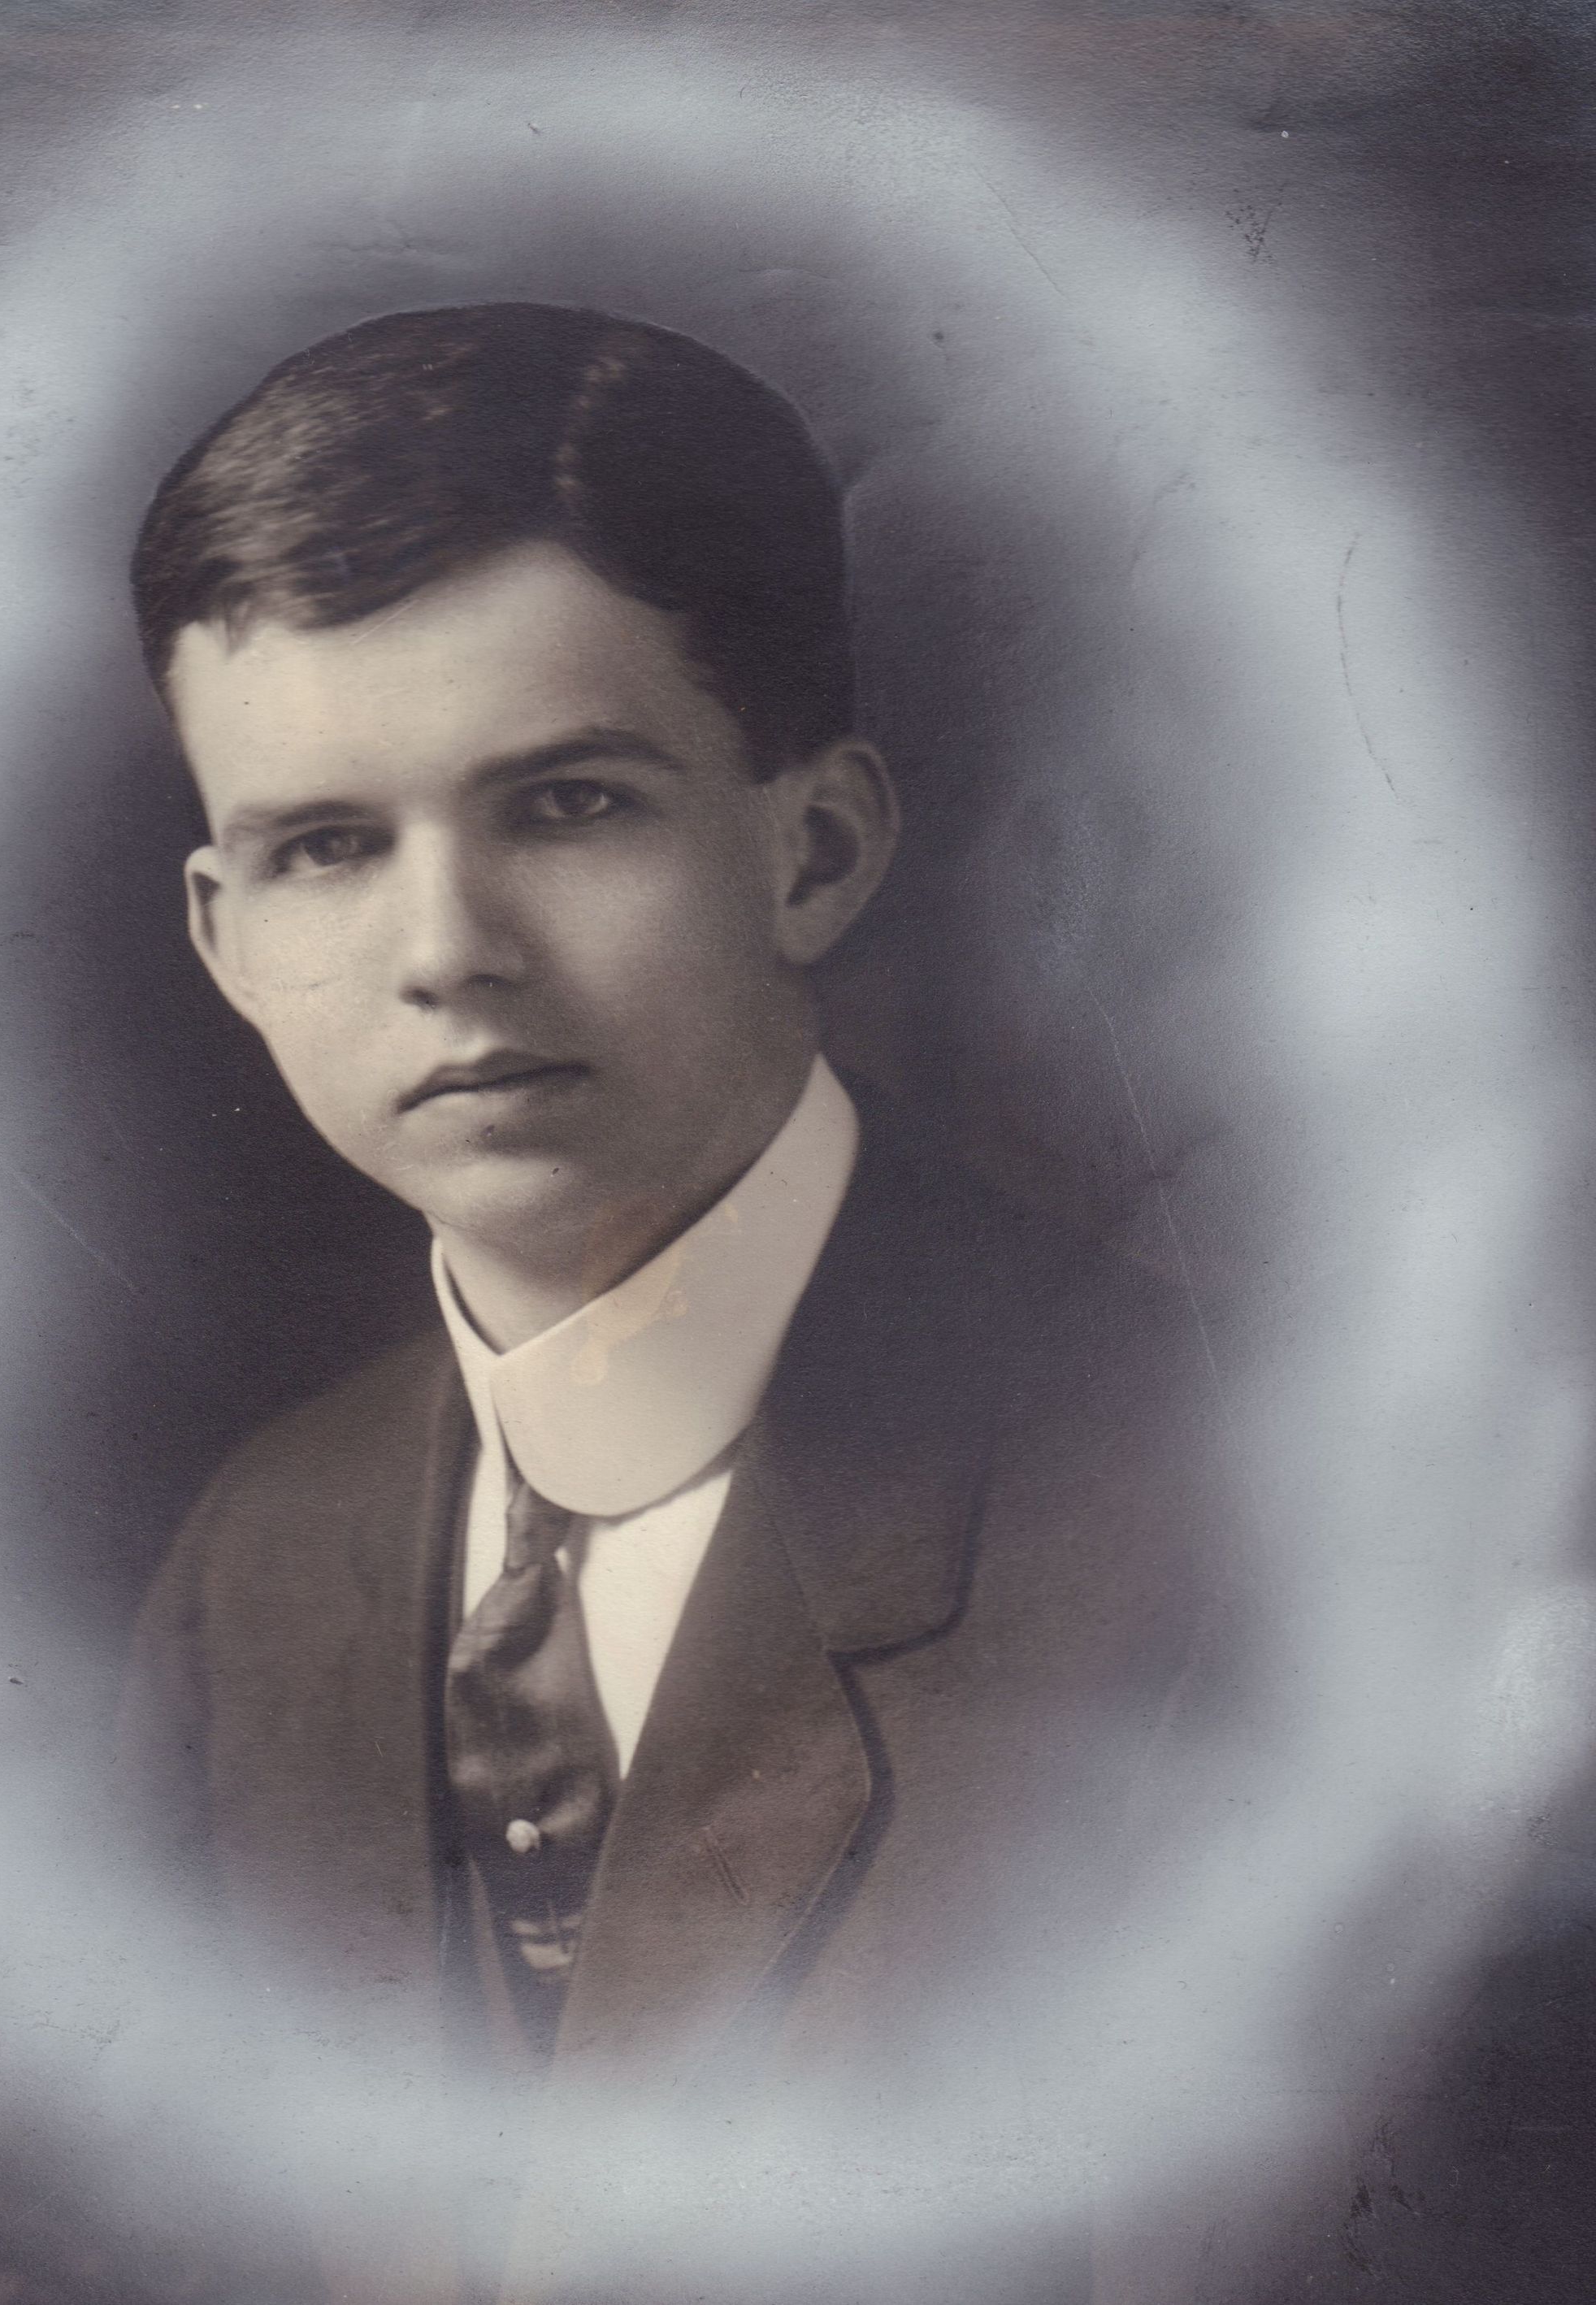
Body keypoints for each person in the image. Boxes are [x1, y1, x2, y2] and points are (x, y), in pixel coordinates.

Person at [117, 302, 1220, 2305]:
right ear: (226, 936)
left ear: (813, 850)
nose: (446, 950)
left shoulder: (1222, 1517)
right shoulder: (265, 1543)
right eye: (328, 846)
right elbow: (49, 2209)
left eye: (568, 804)